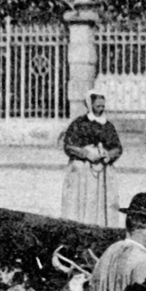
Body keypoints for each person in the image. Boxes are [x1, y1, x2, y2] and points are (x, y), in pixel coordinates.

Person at [58, 88, 122, 227]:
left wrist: (108, 155)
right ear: (89, 105)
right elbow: (69, 145)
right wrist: (86, 154)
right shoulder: (79, 123)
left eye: (102, 106)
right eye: (97, 106)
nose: (100, 109)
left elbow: (117, 147)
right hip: (84, 170)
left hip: (103, 171)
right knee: (82, 201)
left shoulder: (108, 125)